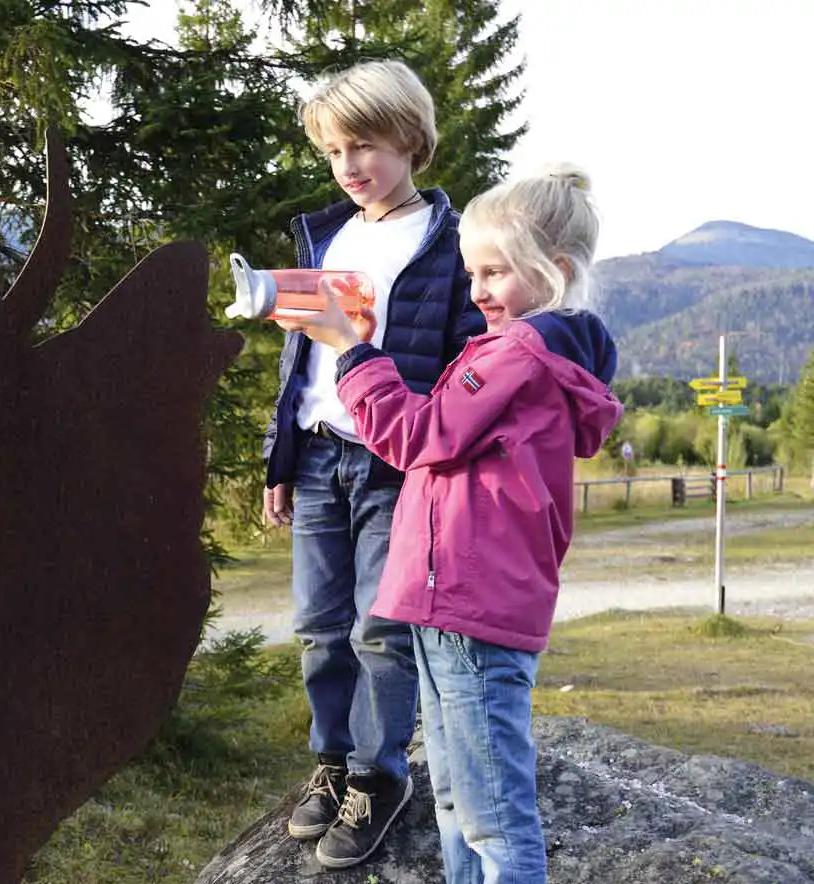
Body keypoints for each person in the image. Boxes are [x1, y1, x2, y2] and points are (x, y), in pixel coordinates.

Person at [280, 165, 623, 883]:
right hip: (450, 605)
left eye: (495, 273)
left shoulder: (518, 356)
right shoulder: (518, 355)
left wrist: (352, 350)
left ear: (553, 271)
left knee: (492, 813)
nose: (476, 293)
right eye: (472, 273)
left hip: (469, 608)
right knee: (460, 805)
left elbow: (419, 436)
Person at [261, 59, 484, 869]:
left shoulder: (451, 242)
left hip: (398, 465)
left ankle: (378, 775)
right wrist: (278, 457)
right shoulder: (326, 234)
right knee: (319, 629)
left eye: (365, 145)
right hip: (320, 457)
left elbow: (468, 360)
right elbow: (303, 361)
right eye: (333, 151)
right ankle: (330, 762)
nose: (349, 166)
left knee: (382, 631)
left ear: (411, 141)